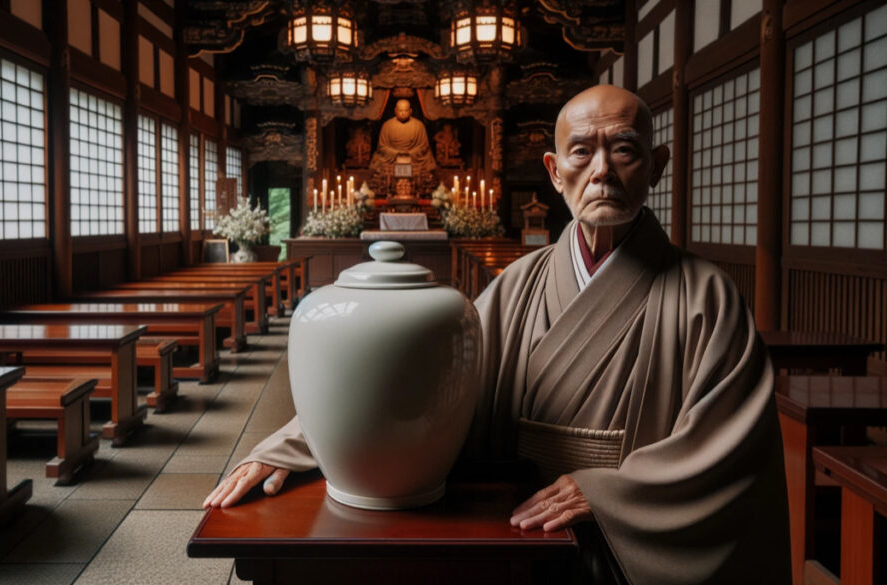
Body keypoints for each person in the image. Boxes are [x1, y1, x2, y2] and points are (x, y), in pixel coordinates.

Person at [204, 85, 791, 584]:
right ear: (555, 172)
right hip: (508, 530)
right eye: (582, 152)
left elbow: (728, 449)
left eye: (625, 150)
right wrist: (290, 444)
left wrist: (609, 495)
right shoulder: (521, 282)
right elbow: (422, 376)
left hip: (624, 544)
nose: (603, 171)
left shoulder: (707, 297)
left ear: (658, 166)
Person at [368, 99, 437, 181]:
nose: (403, 113)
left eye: (406, 110)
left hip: (414, 158)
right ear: (395, 111)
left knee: (427, 159)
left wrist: (409, 153)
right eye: (400, 110)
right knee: (378, 161)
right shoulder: (387, 125)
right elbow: (382, 146)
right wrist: (397, 153)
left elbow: (424, 146)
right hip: (391, 158)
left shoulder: (419, 125)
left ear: (410, 111)